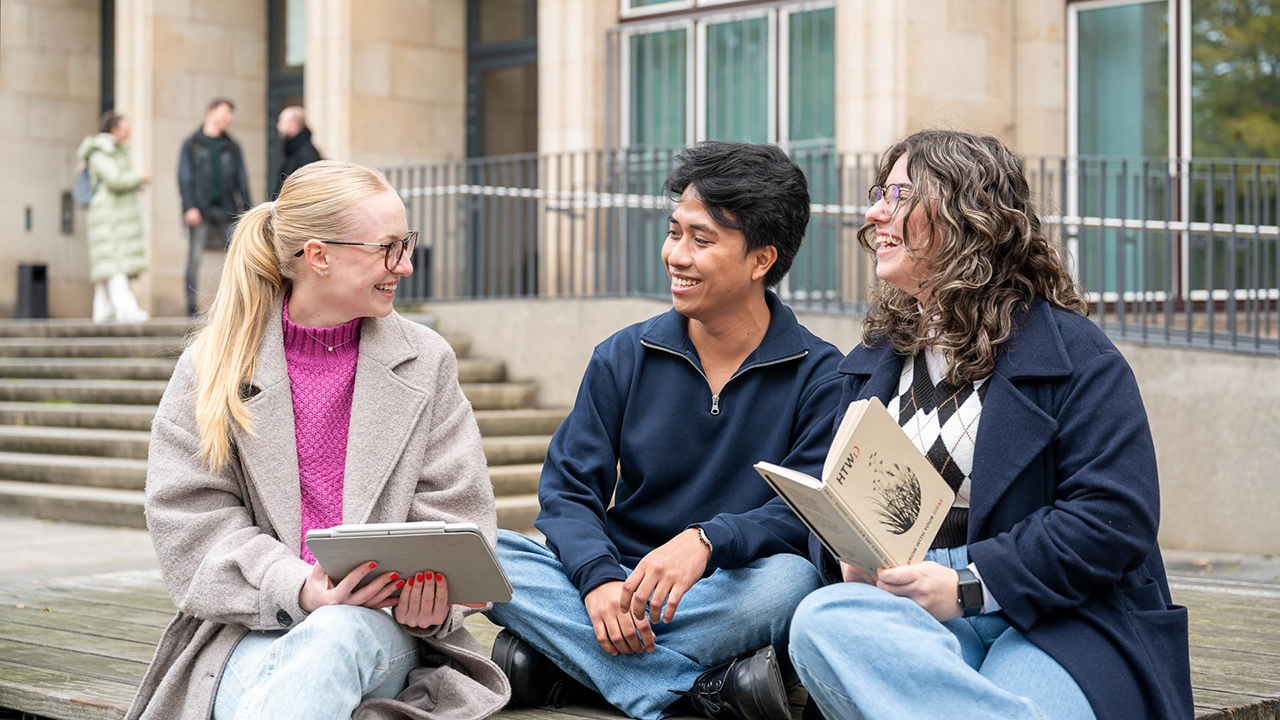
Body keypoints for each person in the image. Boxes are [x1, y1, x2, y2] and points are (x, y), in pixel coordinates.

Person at [787, 130, 1193, 720]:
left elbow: (1113, 519)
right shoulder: (877, 358)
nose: (875, 213)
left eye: (899, 195)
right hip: (913, 614)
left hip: (1060, 618)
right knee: (818, 622)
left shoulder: (1081, 359)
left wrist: (968, 587)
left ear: (966, 214)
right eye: (880, 193)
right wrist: (845, 558)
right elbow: (840, 504)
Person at [125, 161, 510, 720]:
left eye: (407, 244)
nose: (404, 265)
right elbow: (190, 523)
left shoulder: (427, 363)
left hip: (383, 635)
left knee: (336, 634)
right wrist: (301, 587)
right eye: (386, 248)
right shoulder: (211, 365)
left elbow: (458, 511)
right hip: (246, 635)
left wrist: (434, 601)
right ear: (318, 255)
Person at [485, 142, 844, 720]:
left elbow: (804, 511)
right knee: (488, 550)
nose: (676, 254)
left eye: (701, 240)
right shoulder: (623, 356)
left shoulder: (822, 375)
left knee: (792, 584)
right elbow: (568, 490)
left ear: (761, 260)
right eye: (674, 231)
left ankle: (568, 665)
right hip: (616, 582)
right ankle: (688, 687)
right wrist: (599, 581)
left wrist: (707, 541)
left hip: (725, 588)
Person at [178, 97, 252, 317]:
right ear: (211, 111)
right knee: (194, 259)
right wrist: (189, 206)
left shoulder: (232, 146)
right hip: (199, 210)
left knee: (237, 258)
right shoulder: (192, 143)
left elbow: (242, 180)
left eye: (230, 114)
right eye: (225, 112)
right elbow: (184, 177)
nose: (228, 118)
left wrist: (248, 211)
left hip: (228, 210)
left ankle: (236, 307)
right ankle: (191, 309)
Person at [77, 110, 150, 323]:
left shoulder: (113, 151)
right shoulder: (102, 151)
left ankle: (102, 313)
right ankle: (127, 311)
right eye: (125, 127)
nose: (128, 131)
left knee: (107, 267)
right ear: (114, 129)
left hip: (113, 216)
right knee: (114, 264)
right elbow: (115, 179)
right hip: (108, 217)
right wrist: (139, 177)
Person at [273, 105, 322, 199]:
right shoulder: (291, 150)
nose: (278, 126)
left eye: (282, 121)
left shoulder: (307, 153)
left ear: (293, 125)